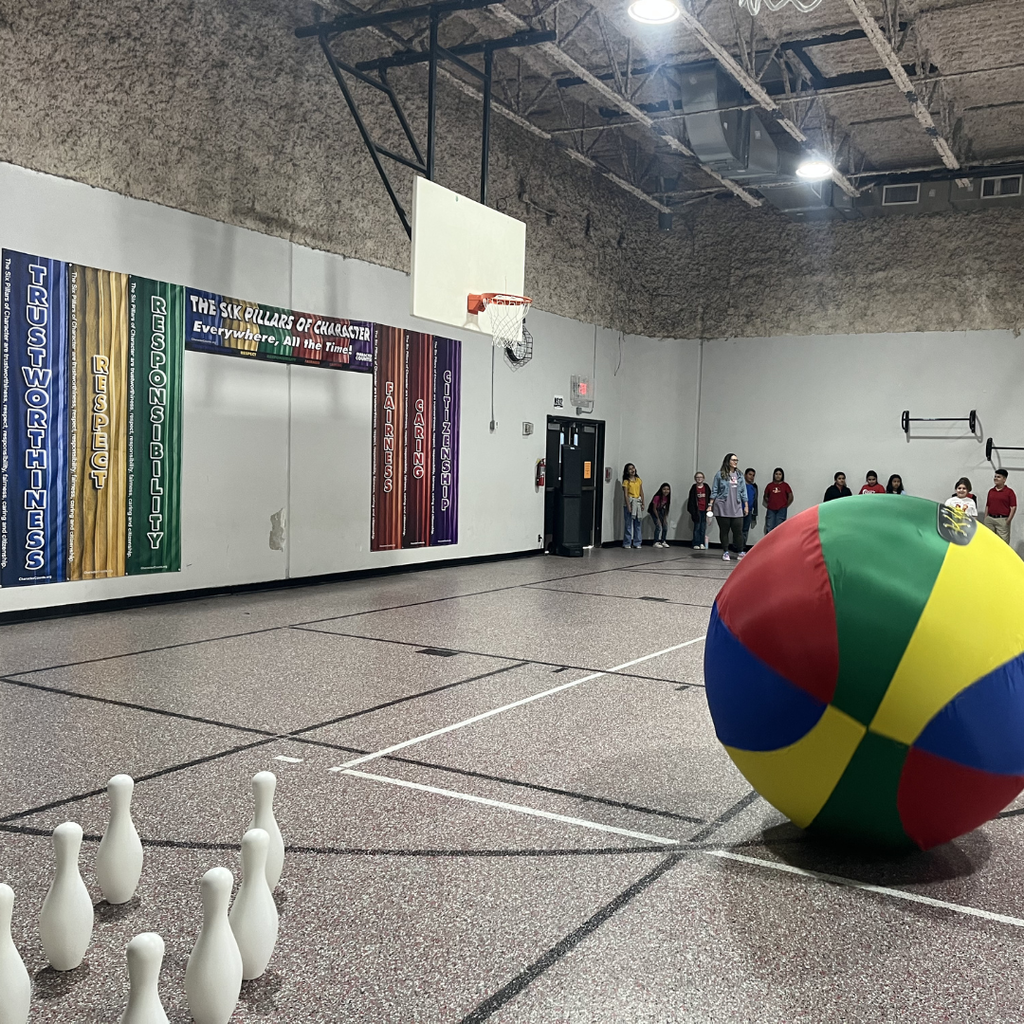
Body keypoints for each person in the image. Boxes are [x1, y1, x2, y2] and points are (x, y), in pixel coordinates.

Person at [710, 453, 748, 562]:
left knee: (738, 530)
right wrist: (710, 505)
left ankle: (741, 551)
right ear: (728, 461)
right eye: (733, 460)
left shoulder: (740, 475)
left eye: (737, 460)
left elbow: (743, 491)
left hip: (736, 506)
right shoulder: (719, 475)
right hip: (722, 506)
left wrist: (745, 505)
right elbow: (715, 490)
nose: (735, 462)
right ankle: (726, 551)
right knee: (724, 530)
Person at [982, 468, 1017, 544]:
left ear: (1004, 479)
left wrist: (1008, 520)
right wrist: (986, 517)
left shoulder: (1009, 492)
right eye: (995, 476)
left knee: (1002, 543)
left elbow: (1013, 507)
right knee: (988, 540)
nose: (995, 478)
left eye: (998, 477)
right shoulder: (991, 491)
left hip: (1002, 520)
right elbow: (988, 505)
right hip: (990, 519)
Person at [762, 468, 793, 533]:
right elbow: (765, 496)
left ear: (782, 475)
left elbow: (790, 496)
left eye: (780, 474)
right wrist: (770, 503)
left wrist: (785, 505)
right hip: (771, 510)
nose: (778, 476)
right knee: (769, 527)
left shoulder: (785, 485)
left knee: (779, 528)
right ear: (774, 475)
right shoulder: (769, 485)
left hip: (782, 510)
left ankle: (778, 543)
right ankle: (769, 543)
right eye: (776, 474)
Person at [621, 463, 645, 549]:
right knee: (628, 524)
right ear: (627, 471)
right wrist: (628, 506)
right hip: (630, 502)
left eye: (633, 468)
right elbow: (626, 494)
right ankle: (627, 542)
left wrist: (643, 503)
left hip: (637, 502)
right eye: (630, 469)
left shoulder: (638, 480)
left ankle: (637, 542)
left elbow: (641, 492)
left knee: (638, 523)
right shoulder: (626, 481)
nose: (632, 470)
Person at [687, 472, 711, 550]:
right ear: (695, 479)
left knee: (703, 527)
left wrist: (710, 509)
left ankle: (701, 543)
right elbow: (691, 501)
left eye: (700, 477)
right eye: (697, 477)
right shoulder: (694, 488)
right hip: (697, 511)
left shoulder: (706, 487)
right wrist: (693, 512)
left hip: (705, 510)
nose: (699, 478)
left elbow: (710, 498)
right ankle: (696, 543)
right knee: (697, 527)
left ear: (703, 478)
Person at [649, 483, 671, 548]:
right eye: (664, 489)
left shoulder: (667, 498)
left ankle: (663, 541)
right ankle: (655, 542)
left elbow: (666, 508)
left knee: (665, 526)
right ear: (661, 490)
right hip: (654, 511)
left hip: (661, 511)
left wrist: (664, 518)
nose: (666, 491)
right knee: (658, 526)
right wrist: (658, 519)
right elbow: (654, 508)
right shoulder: (657, 497)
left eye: (667, 489)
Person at [741, 468, 759, 547]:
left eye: (753, 475)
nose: (751, 477)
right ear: (745, 475)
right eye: (750, 474)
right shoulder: (741, 485)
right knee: (738, 529)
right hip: (739, 510)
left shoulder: (754, 487)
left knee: (745, 529)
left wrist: (755, 512)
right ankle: (736, 545)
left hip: (750, 510)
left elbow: (755, 499)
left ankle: (743, 546)